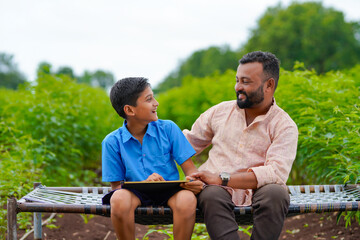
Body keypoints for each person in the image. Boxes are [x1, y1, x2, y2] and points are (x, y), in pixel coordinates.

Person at [182, 51, 299, 240]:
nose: (238, 87)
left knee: (276, 193)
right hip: (215, 193)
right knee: (211, 194)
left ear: (269, 85)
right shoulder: (219, 112)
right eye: (237, 80)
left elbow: (274, 173)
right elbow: (185, 144)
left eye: (246, 82)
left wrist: (221, 178)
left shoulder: (284, 125)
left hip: (257, 192)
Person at [101, 77, 202, 240]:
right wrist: (145, 184)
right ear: (130, 110)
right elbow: (116, 188)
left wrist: (193, 181)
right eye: (149, 99)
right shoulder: (112, 142)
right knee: (119, 198)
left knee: (187, 198)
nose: (156, 103)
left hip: (170, 191)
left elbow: (191, 171)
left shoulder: (168, 129)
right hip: (134, 193)